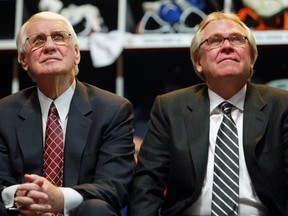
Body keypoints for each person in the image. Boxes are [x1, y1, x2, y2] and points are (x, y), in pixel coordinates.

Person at [128, 11, 288, 216]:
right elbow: (147, 186)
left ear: (252, 58)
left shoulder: (282, 106)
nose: (227, 46)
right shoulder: (170, 107)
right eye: (214, 41)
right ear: (198, 62)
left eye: (237, 39)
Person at [0, 11, 135, 216]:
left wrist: (60, 199)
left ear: (77, 53)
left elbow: (114, 186)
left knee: (97, 209)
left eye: (59, 37)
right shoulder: (3, 112)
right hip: (21, 212)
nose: (50, 46)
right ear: (23, 59)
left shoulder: (112, 110)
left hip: (79, 212)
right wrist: (24, 197)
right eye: (38, 40)